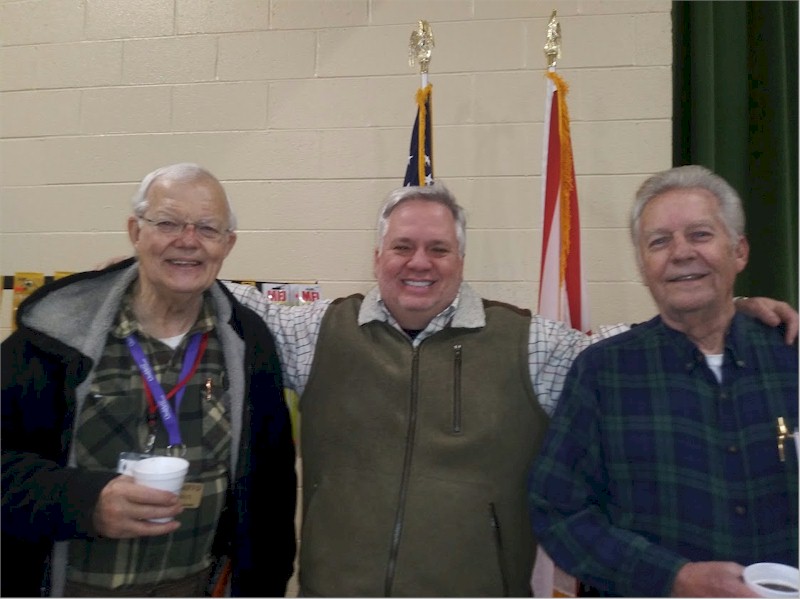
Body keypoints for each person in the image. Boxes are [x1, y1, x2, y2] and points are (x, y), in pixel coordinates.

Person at [225, 181, 797, 597]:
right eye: (402, 247)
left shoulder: (533, 344)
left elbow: (632, 347)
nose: (418, 263)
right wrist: (146, 260)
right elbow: (222, 298)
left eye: (438, 249)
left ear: (461, 259)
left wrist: (729, 308)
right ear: (377, 257)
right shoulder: (314, 333)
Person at [1, 163, 296, 597]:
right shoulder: (55, 339)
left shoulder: (248, 344)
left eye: (207, 228)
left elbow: (272, 491)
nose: (188, 241)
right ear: (135, 231)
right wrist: (84, 501)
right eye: (168, 223)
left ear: (227, 244)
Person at [528, 165, 798, 597]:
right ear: (643, 265)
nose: (680, 252)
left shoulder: (790, 357)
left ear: (740, 250)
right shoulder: (603, 373)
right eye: (659, 241)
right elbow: (558, 511)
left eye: (700, 234)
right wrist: (672, 577)